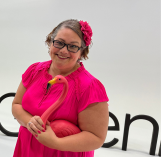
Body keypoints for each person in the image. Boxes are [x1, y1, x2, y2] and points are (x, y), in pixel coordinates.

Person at [12, 19, 109, 157]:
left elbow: (96, 137)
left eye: (73, 46)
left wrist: (56, 143)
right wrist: (30, 122)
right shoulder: (34, 71)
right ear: (50, 42)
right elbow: (17, 104)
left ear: (82, 52)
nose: (64, 50)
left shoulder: (90, 87)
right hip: (28, 149)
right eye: (59, 43)